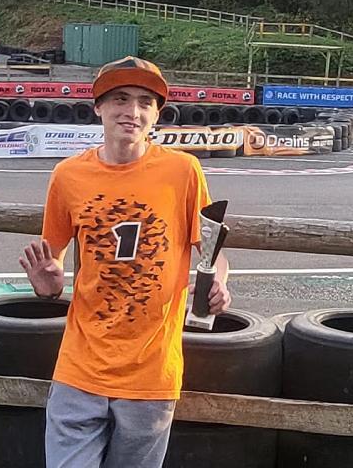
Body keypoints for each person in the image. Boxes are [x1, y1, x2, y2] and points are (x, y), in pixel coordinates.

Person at [19, 56, 231, 468]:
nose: (132, 111)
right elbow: (51, 270)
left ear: (156, 114)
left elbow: (212, 252)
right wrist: (47, 284)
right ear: (98, 106)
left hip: (151, 371)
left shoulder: (183, 171)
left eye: (144, 102)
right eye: (119, 98)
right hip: (80, 367)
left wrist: (219, 283)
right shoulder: (68, 175)